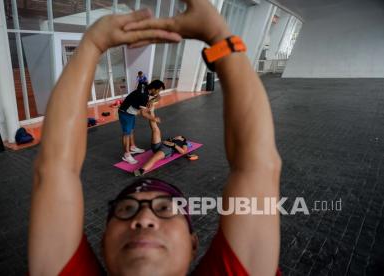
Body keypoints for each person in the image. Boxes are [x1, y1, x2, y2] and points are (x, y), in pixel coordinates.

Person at [28, 0, 282, 275]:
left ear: (193, 244)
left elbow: (55, 169)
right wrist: (218, 36)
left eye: (164, 208)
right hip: (143, 126)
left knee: (153, 136)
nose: (144, 218)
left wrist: (93, 46)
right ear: (102, 243)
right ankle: (133, 151)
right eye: (126, 209)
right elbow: (257, 166)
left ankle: (135, 152)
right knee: (150, 136)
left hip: (151, 132)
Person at [118, 79, 164, 164]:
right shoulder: (143, 96)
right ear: (153, 88)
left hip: (131, 113)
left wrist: (151, 100)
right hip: (125, 113)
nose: (158, 92)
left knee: (131, 130)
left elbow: (159, 96)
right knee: (126, 134)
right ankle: (127, 154)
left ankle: (132, 147)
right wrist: (154, 119)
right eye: (158, 90)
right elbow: (143, 114)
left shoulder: (147, 88)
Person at [134, 105, 188, 176]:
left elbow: (183, 152)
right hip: (159, 145)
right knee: (155, 130)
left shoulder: (184, 142)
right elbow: (165, 141)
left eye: (180, 136)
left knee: (154, 158)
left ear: (182, 138)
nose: (177, 136)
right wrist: (169, 141)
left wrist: (174, 145)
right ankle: (152, 112)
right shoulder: (172, 139)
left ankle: (140, 171)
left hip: (168, 149)